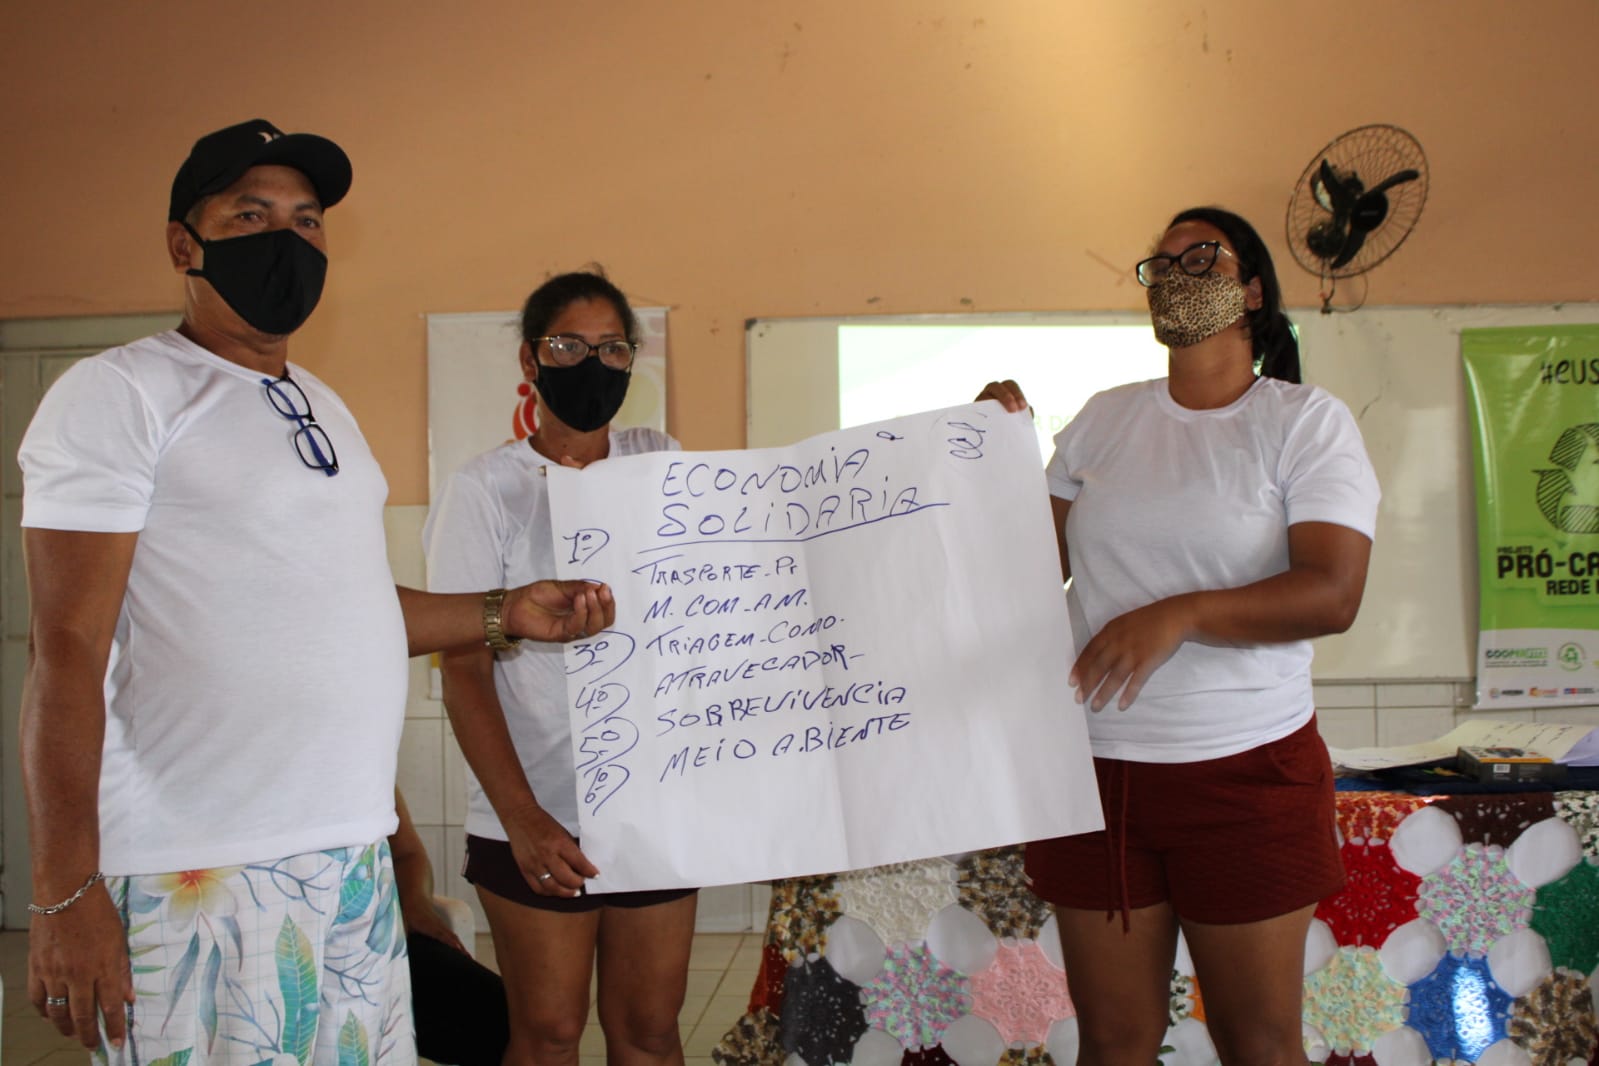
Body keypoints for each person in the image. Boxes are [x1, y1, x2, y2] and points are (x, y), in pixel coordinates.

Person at [18, 119, 614, 1065]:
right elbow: (68, 648)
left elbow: (350, 608)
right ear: (183, 244)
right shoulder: (121, 393)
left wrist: (504, 610)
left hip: (349, 859)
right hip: (197, 865)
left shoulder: (322, 404)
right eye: (249, 215)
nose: (285, 239)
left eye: (305, 220)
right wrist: (64, 889)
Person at [981, 207, 1379, 1066]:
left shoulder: (1303, 421)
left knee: (1257, 1043)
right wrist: (982, 456)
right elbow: (1018, 573)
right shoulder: (1103, 419)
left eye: (1200, 257)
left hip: (1245, 773)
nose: (1173, 275)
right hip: (1093, 774)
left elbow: (1332, 591)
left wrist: (1180, 614)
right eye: (1158, 265)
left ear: (1253, 292)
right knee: (1113, 1041)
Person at [424, 272, 696, 1066]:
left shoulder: (661, 462)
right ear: (529, 360)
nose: (591, 364)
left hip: (650, 802)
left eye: (612, 348)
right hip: (535, 808)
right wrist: (523, 817)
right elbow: (463, 671)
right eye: (567, 346)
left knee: (649, 1031)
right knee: (546, 1034)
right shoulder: (485, 489)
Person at [390, 790, 509, 1066]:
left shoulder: (362, 773)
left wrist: (415, 904)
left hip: (386, 943)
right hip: (299, 954)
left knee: (512, 1025)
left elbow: (407, 854)